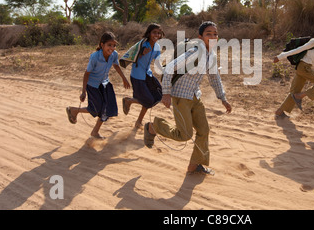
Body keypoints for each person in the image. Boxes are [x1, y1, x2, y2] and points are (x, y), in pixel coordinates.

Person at [144, 21, 232, 175]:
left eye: (215, 34)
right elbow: (170, 68)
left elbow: (214, 77)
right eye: (208, 34)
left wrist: (223, 98)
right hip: (180, 96)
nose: (213, 37)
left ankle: (195, 164)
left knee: (204, 130)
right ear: (200, 37)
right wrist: (166, 93)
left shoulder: (211, 55)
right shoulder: (194, 52)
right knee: (184, 135)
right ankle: (153, 127)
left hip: (195, 96)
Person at [66, 32, 130, 138]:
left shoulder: (114, 54)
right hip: (93, 85)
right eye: (109, 45)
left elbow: (116, 65)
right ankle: (74, 110)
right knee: (96, 109)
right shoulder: (95, 57)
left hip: (105, 83)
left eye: (114, 45)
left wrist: (124, 79)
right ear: (102, 45)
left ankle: (95, 132)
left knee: (107, 109)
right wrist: (83, 91)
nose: (112, 48)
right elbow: (87, 73)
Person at [122, 23, 164, 129]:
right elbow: (132, 55)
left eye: (158, 33)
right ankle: (129, 101)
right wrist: (141, 53)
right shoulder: (142, 44)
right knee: (148, 100)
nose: (157, 35)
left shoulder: (157, 46)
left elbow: (158, 61)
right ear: (149, 33)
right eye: (154, 32)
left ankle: (138, 121)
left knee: (157, 96)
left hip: (147, 74)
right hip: (137, 76)